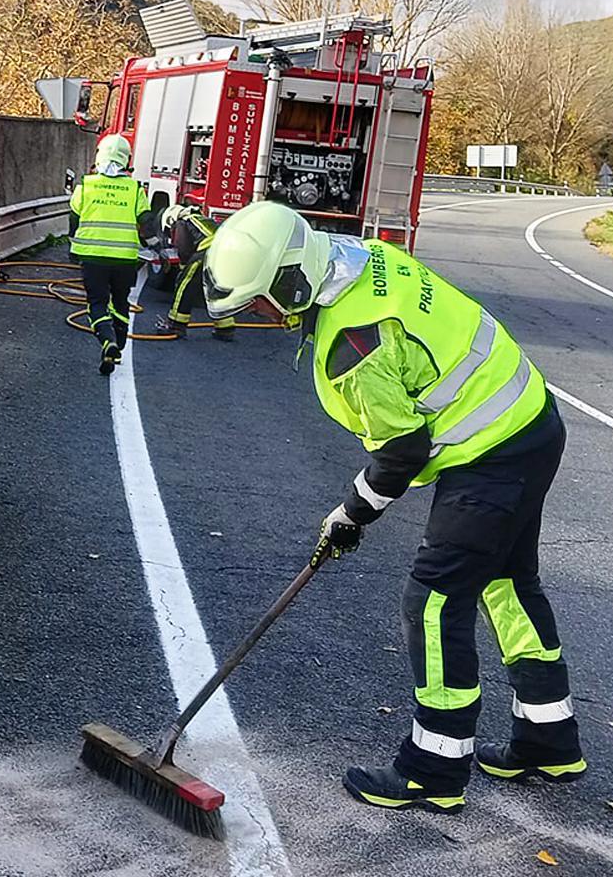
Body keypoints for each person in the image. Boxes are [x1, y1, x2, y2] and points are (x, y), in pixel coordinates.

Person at [201, 201, 583, 814]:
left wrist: (350, 515)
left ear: (293, 279)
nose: (263, 318)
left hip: (489, 454)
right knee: (507, 583)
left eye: (263, 303)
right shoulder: (366, 258)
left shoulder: (354, 347)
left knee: (433, 601)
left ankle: (434, 769)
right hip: (531, 420)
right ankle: (548, 739)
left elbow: (402, 450)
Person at [69, 135, 149, 375]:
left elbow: (74, 217)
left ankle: (107, 341)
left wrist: (73, 247)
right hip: (125, 259)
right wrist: (156, 248)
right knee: (121, 301)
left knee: (97, 302)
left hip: (92, 257)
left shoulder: (87, 184)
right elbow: (146, 221)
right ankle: (119, 346)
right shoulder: (135, 189)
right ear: (127, 160)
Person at [151, 203, 235, 341]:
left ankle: (175, 325)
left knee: (184, 283)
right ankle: (225, 328)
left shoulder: (183, 221)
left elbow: (184, 250)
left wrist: (183, 269)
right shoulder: (201, 219)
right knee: (217, 288)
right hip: (227, 252)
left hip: (210, 250)